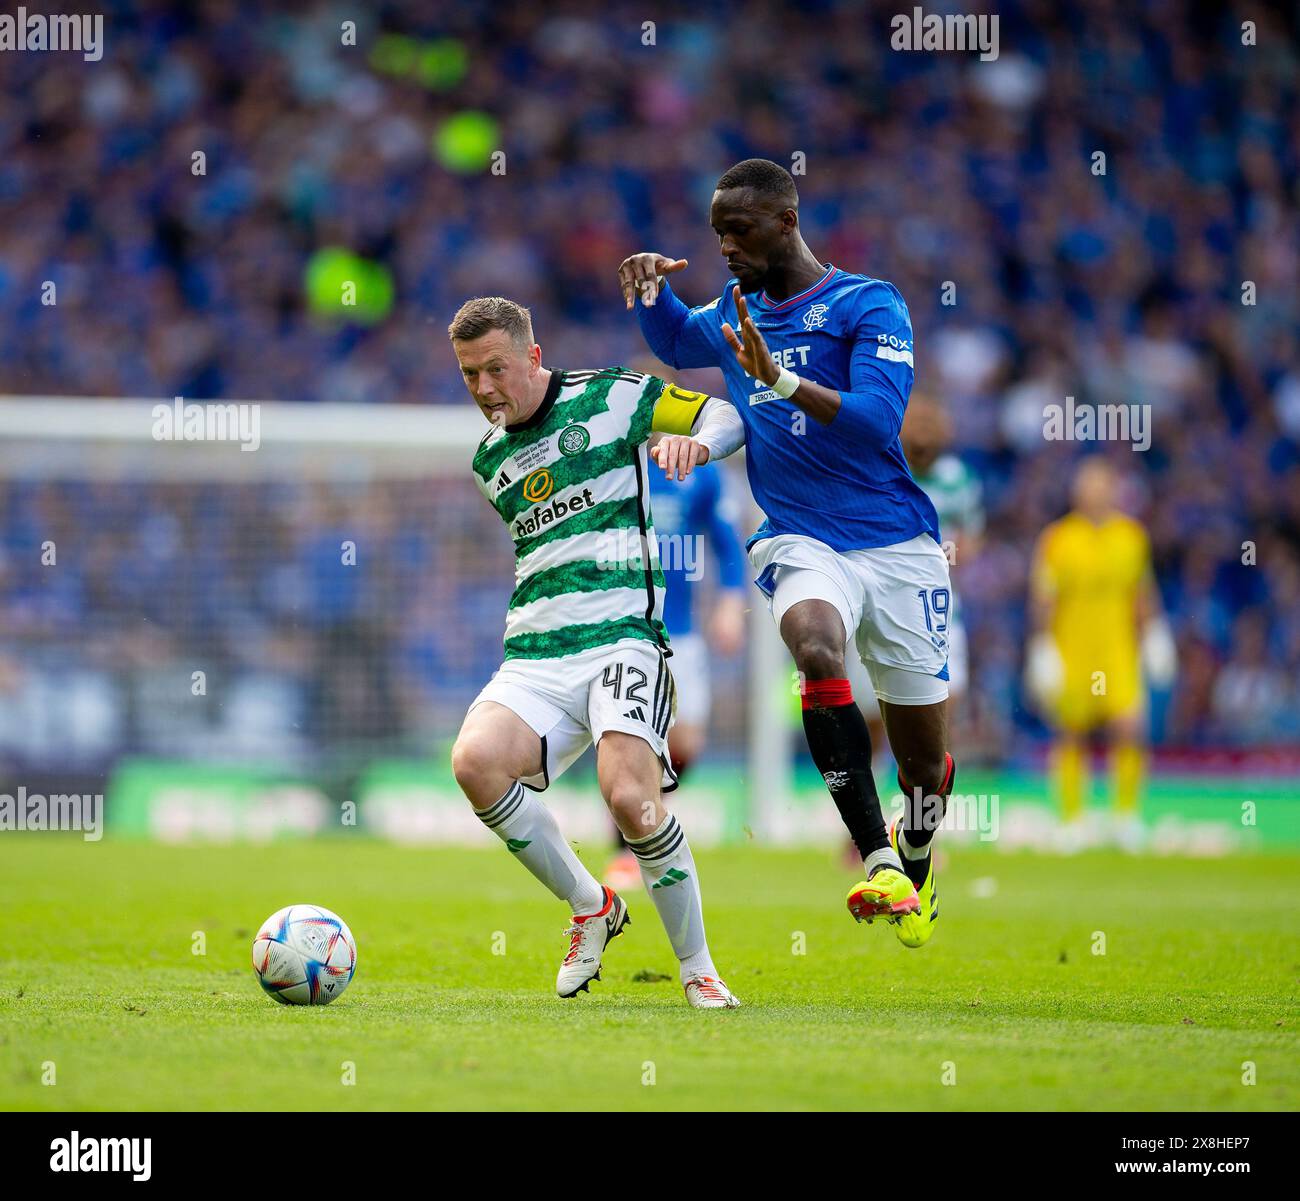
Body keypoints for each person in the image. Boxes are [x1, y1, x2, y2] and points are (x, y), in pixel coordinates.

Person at [619, 158, 954, 949]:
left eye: (737, 231)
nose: (725, 248)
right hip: (802, 533)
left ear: (784, 223)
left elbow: (877, 420)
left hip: (897, 541)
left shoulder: (870, 304)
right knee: (813, 642)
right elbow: (673, 339)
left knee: (924, 767)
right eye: (715, 234)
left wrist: (779, 383)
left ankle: (916, 856)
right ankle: (877, 859)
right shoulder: (736, 312)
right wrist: (649, 291)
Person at [447, 295, 740, 1007]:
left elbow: (725, 416)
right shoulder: (489, 461)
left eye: (496, 368)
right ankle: (592, 905)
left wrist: (698, 443)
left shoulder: (613, 398)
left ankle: (699, 968)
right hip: (536, 652)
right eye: (469, 375)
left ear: (533, 356)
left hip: (624, 637)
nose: (485, 388)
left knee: (631, 798)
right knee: (474, 762)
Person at [604, 360, 748, 892]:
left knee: (686, 740)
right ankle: (626, 851)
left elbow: (729, 545)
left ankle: (649, 821)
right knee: (625, 736)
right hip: (621, 629)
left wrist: (731, 603)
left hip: (681, 630)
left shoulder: (699, 471)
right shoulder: (611, 467)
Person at [1026, 457, 1177, 851]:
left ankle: (1125, 816)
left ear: (1112, 489)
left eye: (1100, 484)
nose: (1093, 491)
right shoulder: (1058, 539)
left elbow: (1141, 592)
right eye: (1086, 484)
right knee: (1071, 733)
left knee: (1130, 728)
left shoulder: (1131, 537)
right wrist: (1041, 647)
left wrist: (1156, 634)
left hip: (1117, 649)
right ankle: (1072, 818)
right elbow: (1044, 597)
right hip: (1073, 648)